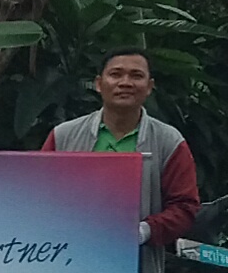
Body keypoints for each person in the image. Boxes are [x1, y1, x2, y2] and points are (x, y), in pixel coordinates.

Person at [49, 45, 202, 250]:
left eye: (136, 76)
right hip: (69, 256)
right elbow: (39, 195)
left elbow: (185, 207)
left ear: (149, 86)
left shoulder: (168, 142)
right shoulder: (63, 136)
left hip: (137, 261)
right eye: (116, 74)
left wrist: (145, 231)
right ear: (98, 84)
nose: (125, 83)